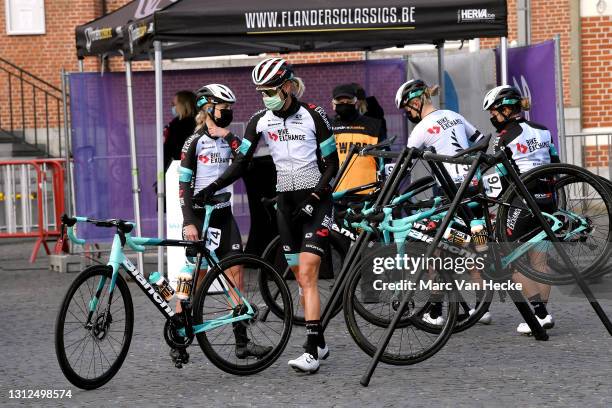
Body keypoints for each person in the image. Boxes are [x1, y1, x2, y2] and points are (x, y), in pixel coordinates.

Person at [198, 57, 339, 374]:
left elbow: (333, 165)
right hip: (285, 205)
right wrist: (214, 186)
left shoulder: (314, 115)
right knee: (300, 281)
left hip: (316, 201)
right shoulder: (259, 120)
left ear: (288, 87)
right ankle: (320, 341)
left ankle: (310, 352)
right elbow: (242, 162)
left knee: (307, 274)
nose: (266, 97)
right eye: (262, 92)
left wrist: (315, 196)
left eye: (271, 90)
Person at [171, 83, 271, 365]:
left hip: (224, 216)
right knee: (192, 277)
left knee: (235, 274)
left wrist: (228, 135)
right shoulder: (193, 142)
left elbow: (247, 161)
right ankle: (179, 334)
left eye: (230, 109)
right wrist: (189, 221)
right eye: (223, 108)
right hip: (200, 217)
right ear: (207, 108)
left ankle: (242, 342)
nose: (227, 112)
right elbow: (183, 187)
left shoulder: (228, 139)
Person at [395, 79, 491, 325]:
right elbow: (480, 139)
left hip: (450, 191)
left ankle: (437, 311)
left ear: (416, 102)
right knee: (476, 244)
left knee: (434, 247)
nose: (408, 114)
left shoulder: (421, 129)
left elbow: (403, 166)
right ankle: (482, 307)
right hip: (473, 185)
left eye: (407, 109)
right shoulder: (453, 114)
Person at [483, 85, 559, 335]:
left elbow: (504, 181)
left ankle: (538, 314)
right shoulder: (543, 130)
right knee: (540, 261)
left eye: (494, 112)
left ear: (506, 109)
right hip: (548, 200)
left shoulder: (503, 138)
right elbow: (556, 164)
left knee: (510, 261)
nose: (492, 117)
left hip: (522, 203)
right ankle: (543, 315)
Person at [331, 83, 383, 195]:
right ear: (333, 104)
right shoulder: (327, 127)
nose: (344, 105)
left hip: (368, 192)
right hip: (336, 192)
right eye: (340, 102)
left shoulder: (373, 125)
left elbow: (384, 157)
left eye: (348, 102)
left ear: (355, 102)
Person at [164, 90, 197, 173]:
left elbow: (169, 150)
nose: (173, 108)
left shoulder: (176, 125)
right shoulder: (203, 122)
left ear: (184, 105)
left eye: (174, 104)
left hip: (181, 168)